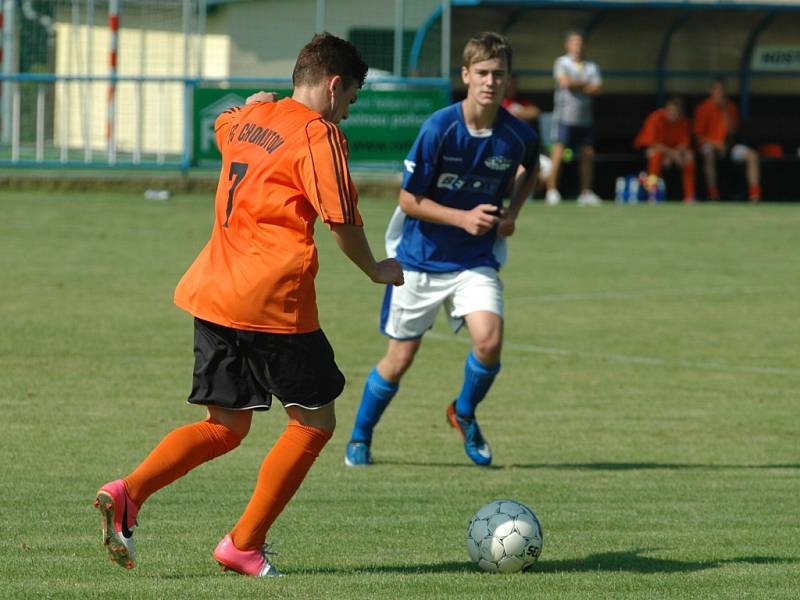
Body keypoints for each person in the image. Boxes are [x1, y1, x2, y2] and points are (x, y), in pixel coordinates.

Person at [92, 32, 404, 577]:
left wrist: (253, 105)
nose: (348, 113)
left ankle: (128, 492)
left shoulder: (249, 122)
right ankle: (243, 544)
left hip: (214, 292)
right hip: (271, 300)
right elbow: (342, 221)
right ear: (334, 86)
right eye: (351, 99)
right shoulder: (319, 134)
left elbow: (224, 123)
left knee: (226, 426)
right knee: (314, 423)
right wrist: (376, 268)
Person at [343, 32, 539, 468]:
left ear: (509, 80)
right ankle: (360, 436)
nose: (491, 81)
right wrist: (464, 218)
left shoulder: (516, 135)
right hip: (419, 260)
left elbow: (533, 168)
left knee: (489, 341)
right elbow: (408, 201)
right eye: (483, 73)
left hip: (475, 260)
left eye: (499, 74)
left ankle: (464, 412)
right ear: (466, 75)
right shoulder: (440, 128)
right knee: (400, 359)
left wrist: (512, 213)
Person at [546, 30, 602, 206]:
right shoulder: (561, 62)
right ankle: (552, 191)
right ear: (567, 45)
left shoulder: (591, 66)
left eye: (580, 43)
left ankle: (585, 193)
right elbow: (565, 83)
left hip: (585, 119)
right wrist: (585, 84)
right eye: (574, 43)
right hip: (564, 118)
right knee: (558, 153)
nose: (578, 46)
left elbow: (597, 88)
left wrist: (577, 84)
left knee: (588, 154)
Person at [693, 78, 761, 202]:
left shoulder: (730, 107)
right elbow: (698, 136)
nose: (719, 93)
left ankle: (754, 195)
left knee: (752, 155)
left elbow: (733, 131)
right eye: (717, 90)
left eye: (722, 90)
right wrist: (716, 144)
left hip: (729, 147)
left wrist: (724, 111)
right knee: (708, 154)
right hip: (709, 146)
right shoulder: (704, 107)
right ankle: (713, 194)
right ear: (711, 91)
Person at [633, 96, 696, 203]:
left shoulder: (683, 121)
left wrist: (673, 155)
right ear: (666, 109)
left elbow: (685, 143)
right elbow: (654, 144)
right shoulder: (655, 118)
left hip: (672, 153)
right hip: (648, 150)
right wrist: (672, 154)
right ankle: (652, 193)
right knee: (654, 155)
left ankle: (689, 196)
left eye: (676, 111)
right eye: (670, 110)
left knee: (689, 156)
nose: (672, 113)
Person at [502, 72, 552, 193]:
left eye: (515, 84)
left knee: (548, 167)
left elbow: (535, 111)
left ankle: (536, 194)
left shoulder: (522, 101)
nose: (512, 86)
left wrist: (515, 113)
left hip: (528, 150)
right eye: (509, 84)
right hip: (506, 150)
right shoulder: (499, 102)